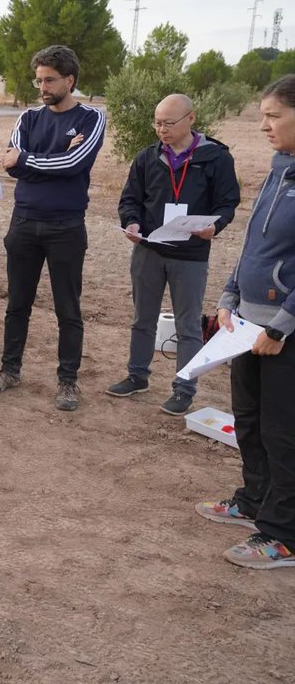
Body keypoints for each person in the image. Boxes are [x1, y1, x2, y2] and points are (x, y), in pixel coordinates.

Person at [197, 75, 295, 570]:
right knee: (250, 421)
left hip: (283, 333)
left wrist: (281, 326)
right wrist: (230, 294)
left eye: (273, 116)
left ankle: (283, 534)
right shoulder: (281, 168)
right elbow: (256, 243)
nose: (263, 125)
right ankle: (253, 501)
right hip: (246, 324)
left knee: (283, 432)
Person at [0, 45, 105, 412]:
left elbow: (74, 162)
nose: (43, 87)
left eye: (49, 80)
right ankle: (9, 369)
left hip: (66, 226)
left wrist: (31, 159)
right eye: (39, 80)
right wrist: (38, 160)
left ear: (70, 80)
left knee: (68, 308)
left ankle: (68, 381)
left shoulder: (91, 118)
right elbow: (11, 164)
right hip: (23, 223)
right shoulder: (28, 118)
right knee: (17, 304)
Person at [106, 93, 239, 415]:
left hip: (191, 255)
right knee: (142, 320)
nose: (161, 129)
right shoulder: (147, 157)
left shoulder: (216, 158)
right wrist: (132, 222)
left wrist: (216, 225)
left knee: (189, 325)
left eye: (168, 123)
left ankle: (184, 389)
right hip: (149, 250)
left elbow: (227, 202)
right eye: (157, 123)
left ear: (191, 119)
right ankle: (137, 376)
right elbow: (130, 199)